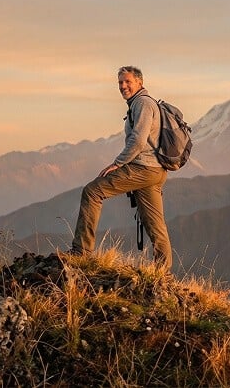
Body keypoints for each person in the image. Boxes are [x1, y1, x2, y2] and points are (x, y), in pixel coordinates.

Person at [68, 65, 172, 272]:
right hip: (155, 171)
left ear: (139, 83)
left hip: (143, 168)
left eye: (127, 82)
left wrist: (118, 163)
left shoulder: (142, 103)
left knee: (92, 192)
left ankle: (81, 252)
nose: (123, 86)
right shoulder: (142, 103)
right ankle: (163, 273)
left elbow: (138, 140)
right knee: (155, 224)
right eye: (120, 82)